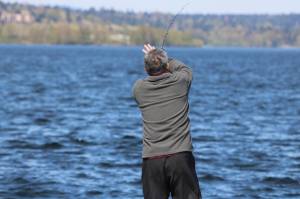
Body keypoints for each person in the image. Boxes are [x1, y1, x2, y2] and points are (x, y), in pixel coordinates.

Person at [132, 44, 202, 199]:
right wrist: (164, 58)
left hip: (152, 161)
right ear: (167, 66)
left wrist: (153, 57)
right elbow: (184, 68)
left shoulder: (139, 88)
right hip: (180, 158)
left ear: (145, 68)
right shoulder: (181, 81)